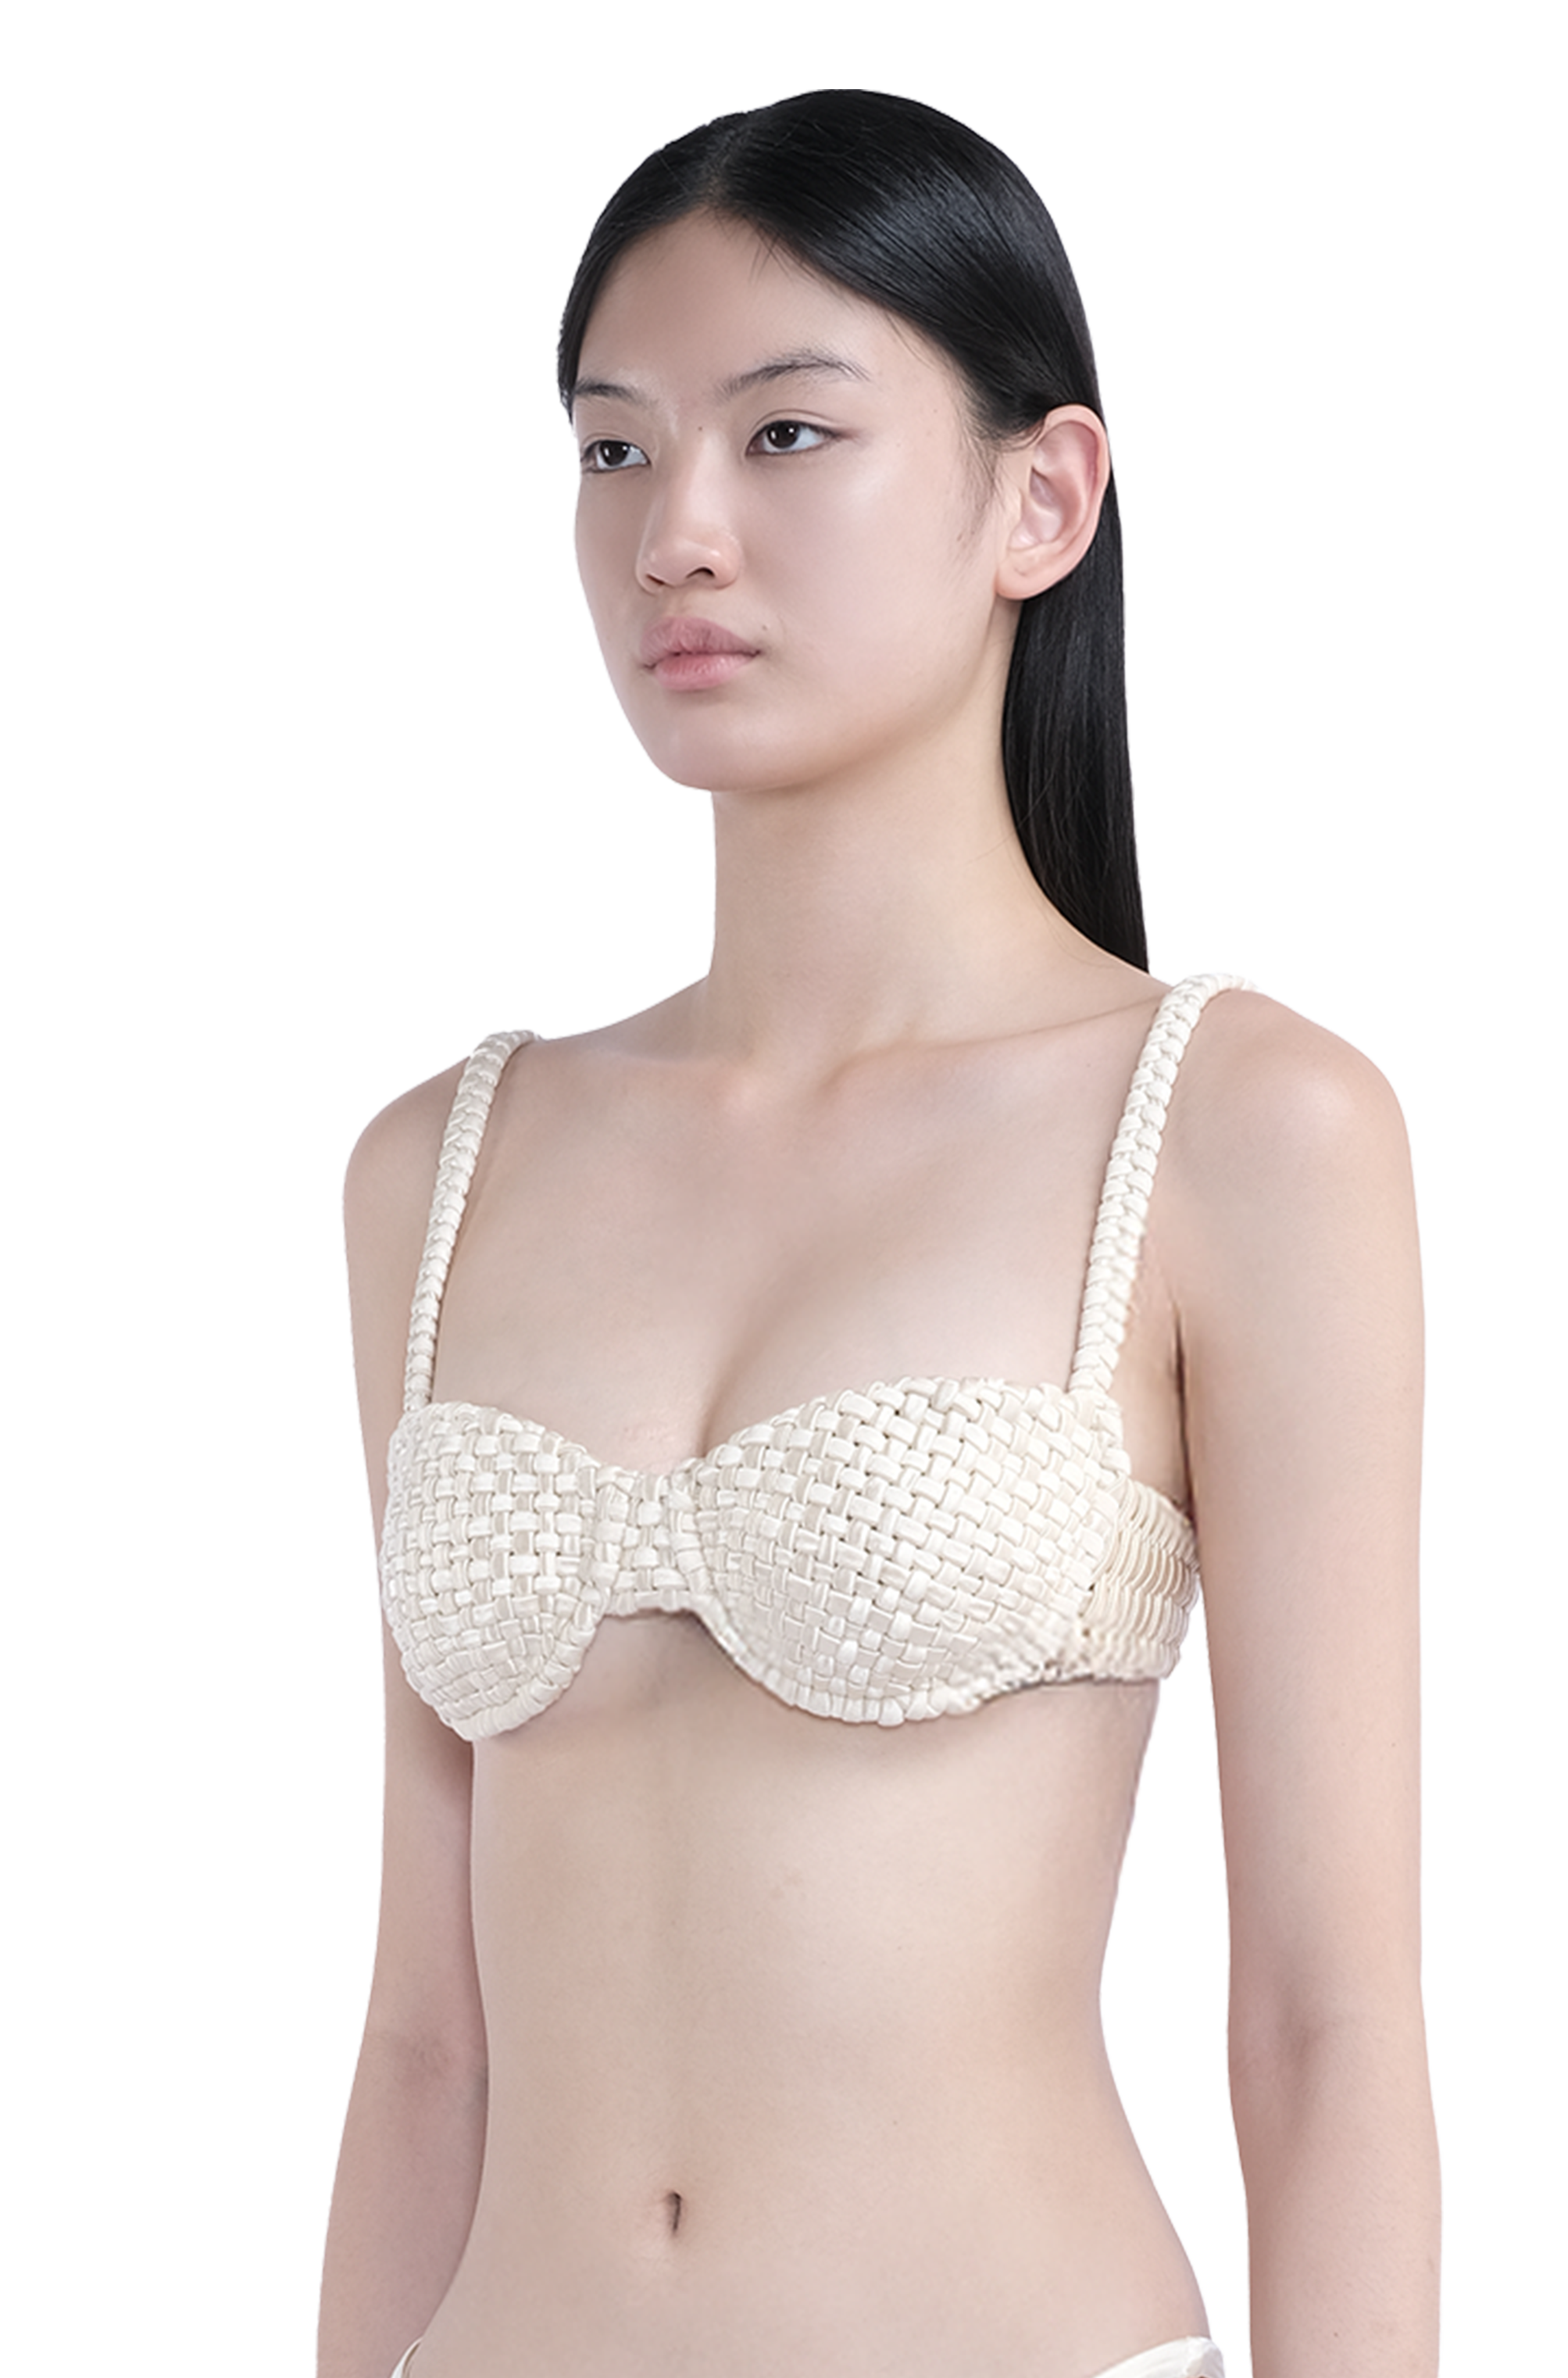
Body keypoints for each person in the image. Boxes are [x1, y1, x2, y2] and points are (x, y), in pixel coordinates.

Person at [318, 91, 1439, 2378]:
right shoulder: (447, 1164)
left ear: (1042, 500)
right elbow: (427, 2036)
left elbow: (1321, 2018)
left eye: (787, 435)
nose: (676, 535)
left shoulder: (1236, 1131)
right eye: (614, 449)